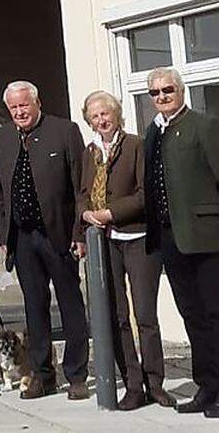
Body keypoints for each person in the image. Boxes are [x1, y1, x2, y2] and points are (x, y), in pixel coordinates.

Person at [143, 67, 219, 418]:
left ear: (181, 90)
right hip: (171, 239)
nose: (162, 97)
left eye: (167, 90)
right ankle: (208, 385)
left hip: (206, 237)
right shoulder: (154, 132)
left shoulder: (203, 126)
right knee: (192, 316)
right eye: (155, 93)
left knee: (217, 314)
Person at [0, 80, 89, 400]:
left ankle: (76, 375)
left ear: (37, 103)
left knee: (71, 305)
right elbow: (1, 189)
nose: (20, 112)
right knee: (34, 309)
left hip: (57, 234)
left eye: (24, 105)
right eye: (14, 107)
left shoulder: (64, 131)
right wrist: (4, 232)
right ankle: (42, 375)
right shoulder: (4, 136)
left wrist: (79, 233)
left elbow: (80, 188)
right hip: (22, 237)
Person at [77, 91, 172, 410]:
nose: (102, 120)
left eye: (106, 113)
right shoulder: (89, 152)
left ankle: (154, 382)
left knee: (145, 315)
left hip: (139, 238)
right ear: (89, 122)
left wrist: (111, 213)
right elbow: (81, 193)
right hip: (105, 243)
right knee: (116, 316)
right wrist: (87, 214)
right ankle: (132, 384)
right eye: (95, 116)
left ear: (117, 114)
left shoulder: (135, 145)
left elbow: (147, 193)